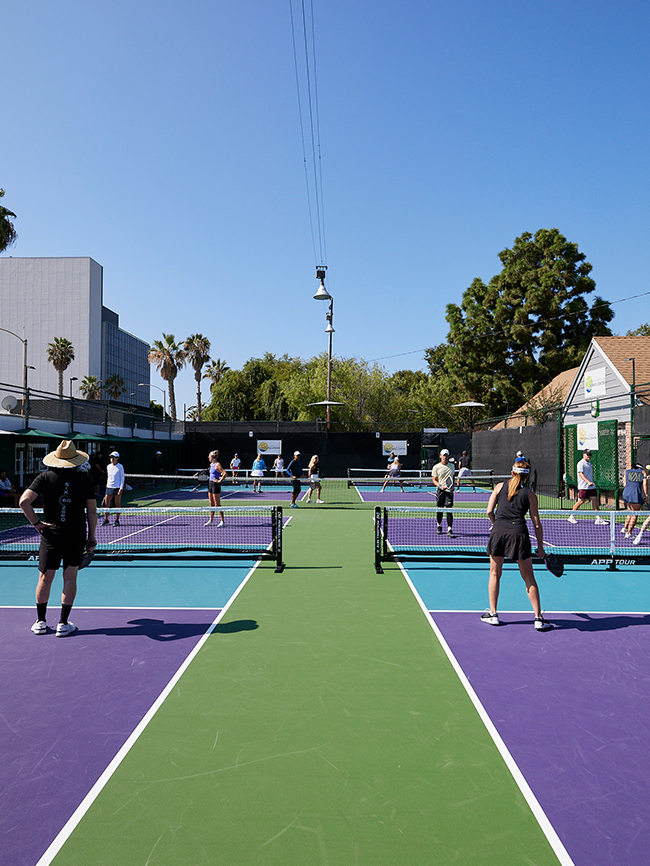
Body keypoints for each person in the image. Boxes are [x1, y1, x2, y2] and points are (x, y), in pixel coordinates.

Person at [19, 440, 97, 637]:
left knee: (45, 578)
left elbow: (23, 501)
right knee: (69, 577)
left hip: (51, 535)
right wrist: (92, 537)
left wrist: (37, 524)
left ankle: (40, 622)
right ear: (75, 460)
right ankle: (63, 624)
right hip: (76, 534)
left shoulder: (44, 477)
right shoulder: (86, 480)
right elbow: (92, 512)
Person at [481, 459, 551, 631]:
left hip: (498, 532)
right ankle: (538, 618)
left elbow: (489, 511)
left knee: (495, 574)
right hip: (519, 534)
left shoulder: (498, 487)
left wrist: (496, 523)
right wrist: (540, 547)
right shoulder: (530, 494)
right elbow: (536, 523)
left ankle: (493, 614)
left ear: (512, 473)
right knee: (528, 577)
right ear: (527, 477)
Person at [568, 449, 608, 525]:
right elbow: (581, 474)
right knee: (581, 501)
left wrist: (591, 483)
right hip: (583, 487)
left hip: (591, 487)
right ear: (583, 455)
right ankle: (571, 516)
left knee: (595, 500)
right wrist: (588, 482)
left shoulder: (589, 463)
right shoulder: (581, 463)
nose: (589, 456)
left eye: (590, 455)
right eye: (588, 455)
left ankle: (598, 518)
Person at [431, 449, 455, 536]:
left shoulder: (452, 466)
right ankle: (439, 525)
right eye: (443, 455)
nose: (445, 457)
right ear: (440, 456)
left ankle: (449, 529)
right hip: (440, 491)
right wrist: (441, 486)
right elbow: (434, 480)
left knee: (449, 510)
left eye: (446, 455)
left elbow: (453, 477)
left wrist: (453, 486)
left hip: (449, 492)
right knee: (439, 510)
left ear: (448, 456)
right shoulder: (436, 467)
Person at [621, 463, 647, 538]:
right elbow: (645, 484)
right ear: (640, 468)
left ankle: (625, 528)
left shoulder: (627, 472)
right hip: (635, 494)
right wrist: (646, 495)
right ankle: (629, 533)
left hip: (626, 493)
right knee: (635, 514)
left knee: (631, 511)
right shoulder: (643, 472)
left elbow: (624, 484)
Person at [102, 451, 125, 526]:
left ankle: (117, 520)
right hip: (109, 487)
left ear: (117, 458)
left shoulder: (120, 467)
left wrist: (121, 488)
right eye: (111, 457)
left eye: (113, 457)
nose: (112, 459)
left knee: (117, 504)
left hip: (117, 487)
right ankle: (106, 519)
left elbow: (122, 478)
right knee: (106, 504)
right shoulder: (108, 466)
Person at [205, 450, 226, 527]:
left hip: (215, 485)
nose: (208, 458)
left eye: (209, 456)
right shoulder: (211, 465)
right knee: (211, 504)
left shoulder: (218, 465)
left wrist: (219, 481)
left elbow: (225, 473)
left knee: (217, 504)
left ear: (212, 457)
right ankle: (211, 520)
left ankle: (222, 521)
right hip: (210, 484)